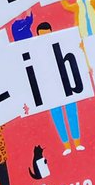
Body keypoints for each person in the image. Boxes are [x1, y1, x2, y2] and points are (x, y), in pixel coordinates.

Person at [36, 22, 84, 154]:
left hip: (67, 85)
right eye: (42, 36)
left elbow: (74, 55)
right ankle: (67, 146)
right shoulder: (36, 52)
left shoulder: (62, 44)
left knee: (72, 113)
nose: (46, 37)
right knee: (57, 117)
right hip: (50, 90)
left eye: (48, 34)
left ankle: (77, 142)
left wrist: (80, 48)